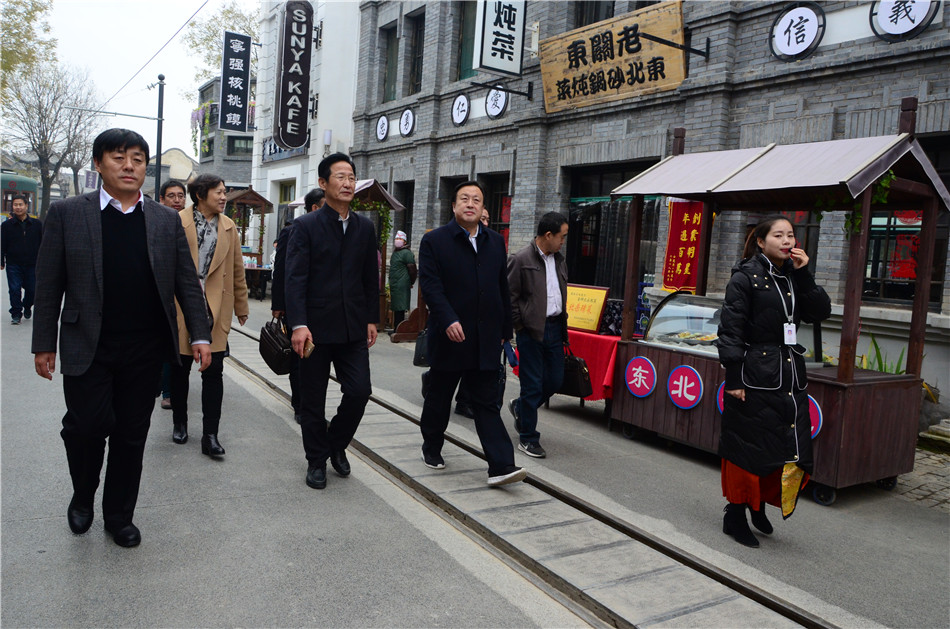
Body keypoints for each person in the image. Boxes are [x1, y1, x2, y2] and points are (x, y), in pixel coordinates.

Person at [32, 128, 211, 548]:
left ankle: (118, 515)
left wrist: (200, 334)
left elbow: (187, 283)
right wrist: (43, 343)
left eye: (137, 158)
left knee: (132, 435)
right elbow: (47, 283)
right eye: (118, 157)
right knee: (87, 428)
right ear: (98, 164)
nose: (129, 166)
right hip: (87, 343)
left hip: (144, 348)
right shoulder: (68, 214)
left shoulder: (165, 220)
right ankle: (83, 493)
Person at [717, 214, 831, 548]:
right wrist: (734, 378)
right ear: (761, 241)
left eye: (791, 235)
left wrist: (805, 273)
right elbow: (730, 329)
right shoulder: (744, 277)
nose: (787, 241)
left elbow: (819, 312)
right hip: (753, 375)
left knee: (784, 446)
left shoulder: (793, 276)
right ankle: (735, 513)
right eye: (778, 235)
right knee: (747, 447)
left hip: (790, 374)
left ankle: (759, 505)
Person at [417, 181, 526, 487]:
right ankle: (432, 447)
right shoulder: (435, 241)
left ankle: (502, 465)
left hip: (485, 338)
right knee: (439, 398)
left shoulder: (495, 242)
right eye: (464, 198)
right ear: (454, 206)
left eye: (476, 199)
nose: (470, 203)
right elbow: (431, 287)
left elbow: (501, 289)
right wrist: (448, 319)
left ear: (482, 209)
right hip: (450, 336)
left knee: (486, 403)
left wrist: (506, 331)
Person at [286, 153, 378, 490]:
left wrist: (371, 319)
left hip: (353, 328)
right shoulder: (305, 226)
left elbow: (371, 277)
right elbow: (294, 279)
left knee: (359, 391)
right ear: (323, 184)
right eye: (340, 176)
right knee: (312, 399)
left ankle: (336, 443)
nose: (348, 183)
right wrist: (298, 323)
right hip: (313, 331)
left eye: (351, 177)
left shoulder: (364, 227)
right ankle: (316, 461)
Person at [169, 173, 249, 455]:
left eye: (224, 192)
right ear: (201, 195)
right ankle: (180, 422)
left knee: (214, 372)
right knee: (180, 370)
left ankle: (210, 435)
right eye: (218, 192)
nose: (224, 197)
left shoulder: (229, 226)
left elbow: (237, 269)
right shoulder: (178, 222)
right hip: (181, 305)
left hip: (215, 308)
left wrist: (242, 305)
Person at [507, 212, 569, 459]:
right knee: (532, 385)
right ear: (548, 235)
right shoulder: (521, 259)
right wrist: (520, 326)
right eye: (561, 237)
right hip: (531, 330)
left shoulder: (560, 260)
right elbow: (509, 297)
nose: (563, 241)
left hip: (555, 328)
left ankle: (521, 407)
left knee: (554, 380)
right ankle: (528, 438)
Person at [272, 187, 324, 424]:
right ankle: (299, 404)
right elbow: (282, 269)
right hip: (296, 306)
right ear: (315, 207)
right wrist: (279, 304)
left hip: (322, 307)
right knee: (300, 355)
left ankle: (313, 404)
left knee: (318, 358)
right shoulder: (292, 231)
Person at [157, 180, 188, 410]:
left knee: (179, 346)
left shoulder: (189, 223)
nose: (176, 200)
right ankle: (166, 390)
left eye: (180, 196)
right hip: (162, 293)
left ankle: (171, 388)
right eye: (171, 196)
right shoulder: (156, 222)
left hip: (186, 291)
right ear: (162, 199)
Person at [1, 194, 43, 325]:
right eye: (15, 205)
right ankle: (16, 313)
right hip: (14, 263)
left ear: (26, 206)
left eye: (20, 205)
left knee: (32, 289)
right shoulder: (6, 226)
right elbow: (2, 243)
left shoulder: (37, 225)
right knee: (14, 289)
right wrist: (1, 260)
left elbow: (43, 243)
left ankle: (27, 305)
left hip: (33, 263)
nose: (18, 207)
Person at [388, 230, 416, 329]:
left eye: (400, 239)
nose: (398, 240)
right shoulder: (396, 253)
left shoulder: (407, 253)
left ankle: (399, 328)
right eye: (396, 238)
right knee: (396, 306)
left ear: (404, 241)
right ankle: (396, 327)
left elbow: (412, 270)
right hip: (395, 283)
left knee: (401, 306)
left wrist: (411, 282)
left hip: (402, 283)